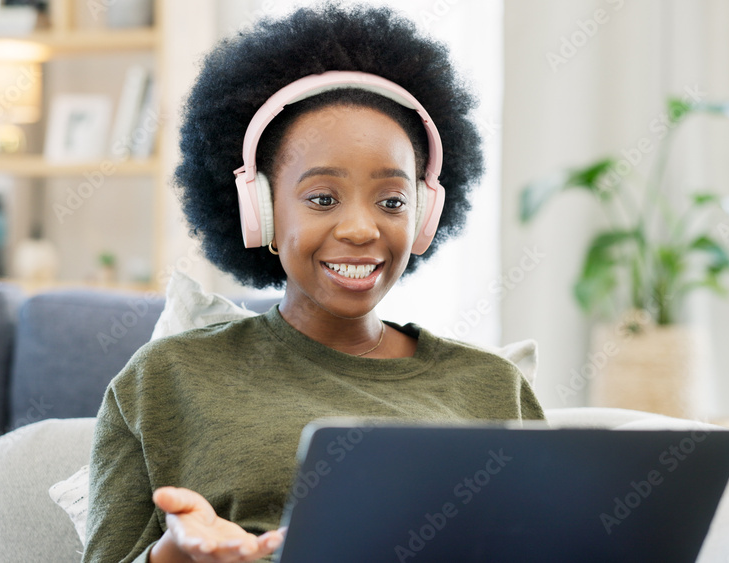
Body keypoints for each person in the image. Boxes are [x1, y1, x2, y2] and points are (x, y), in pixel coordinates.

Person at [82, 4, 545, 562]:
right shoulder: (163, 381)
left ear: (423, 218)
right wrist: (175, 556)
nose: (359, 228)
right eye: (322, 198)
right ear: (261, 212)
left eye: (392, 201)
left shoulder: (492, 386)